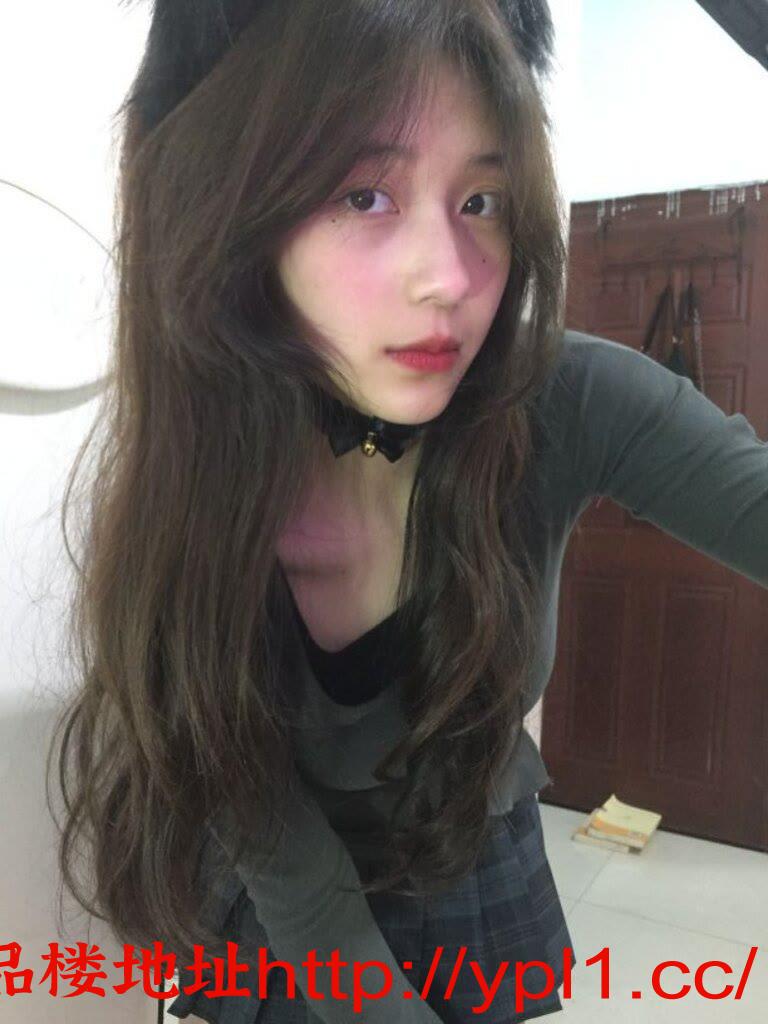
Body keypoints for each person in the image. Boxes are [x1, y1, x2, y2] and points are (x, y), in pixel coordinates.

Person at [47, 2, 768, 1023]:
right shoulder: (199, 487)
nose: (450, 279)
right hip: (282, 908)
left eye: (482, 200)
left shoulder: (565, 400)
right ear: (233, 208)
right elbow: (287, 861)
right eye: (364, 193)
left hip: (472, 862)